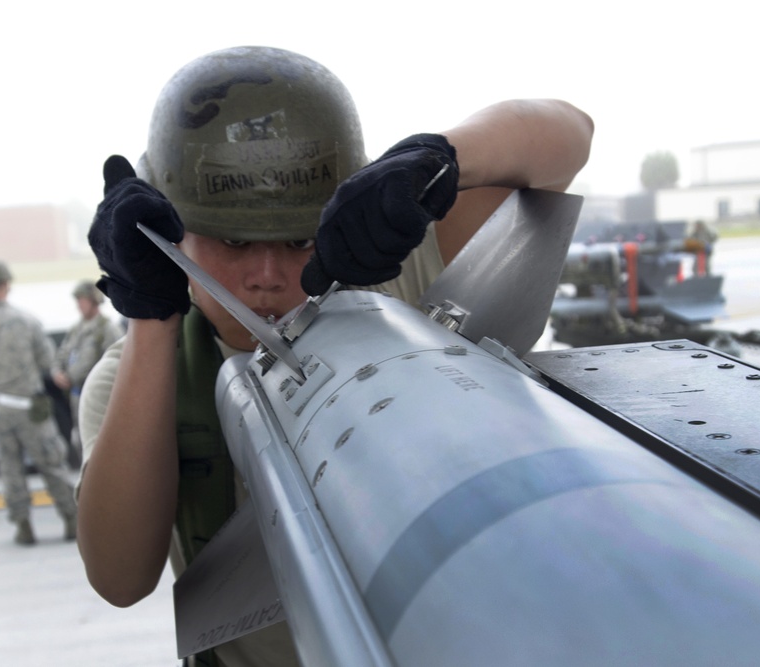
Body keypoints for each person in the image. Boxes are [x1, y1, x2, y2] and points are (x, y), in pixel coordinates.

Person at [76, 46, 593, 666]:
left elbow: (570, 134)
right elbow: (120, 580)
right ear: (170, 226)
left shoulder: (405, 281)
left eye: (299, 238)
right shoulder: (133, 383)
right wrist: (151, 321)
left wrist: (438, 157)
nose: (266, 277)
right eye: (233, 240)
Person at [0, 260, 78, 545]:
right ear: (7, 284)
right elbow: (47, 362)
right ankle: (70, 519)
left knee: (9, 468)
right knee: (51, 463)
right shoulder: (26, 320)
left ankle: (23, 526)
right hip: (30, 407)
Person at [50, 280, 122, 456]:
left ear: (94, 300)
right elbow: (61, 355)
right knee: (83, 444)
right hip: (76, 396)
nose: (79, 305)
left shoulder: (107, 329)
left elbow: (119, 364)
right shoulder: (76, 329)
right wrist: (57, 373)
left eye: (82, 300)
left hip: (98, 398)